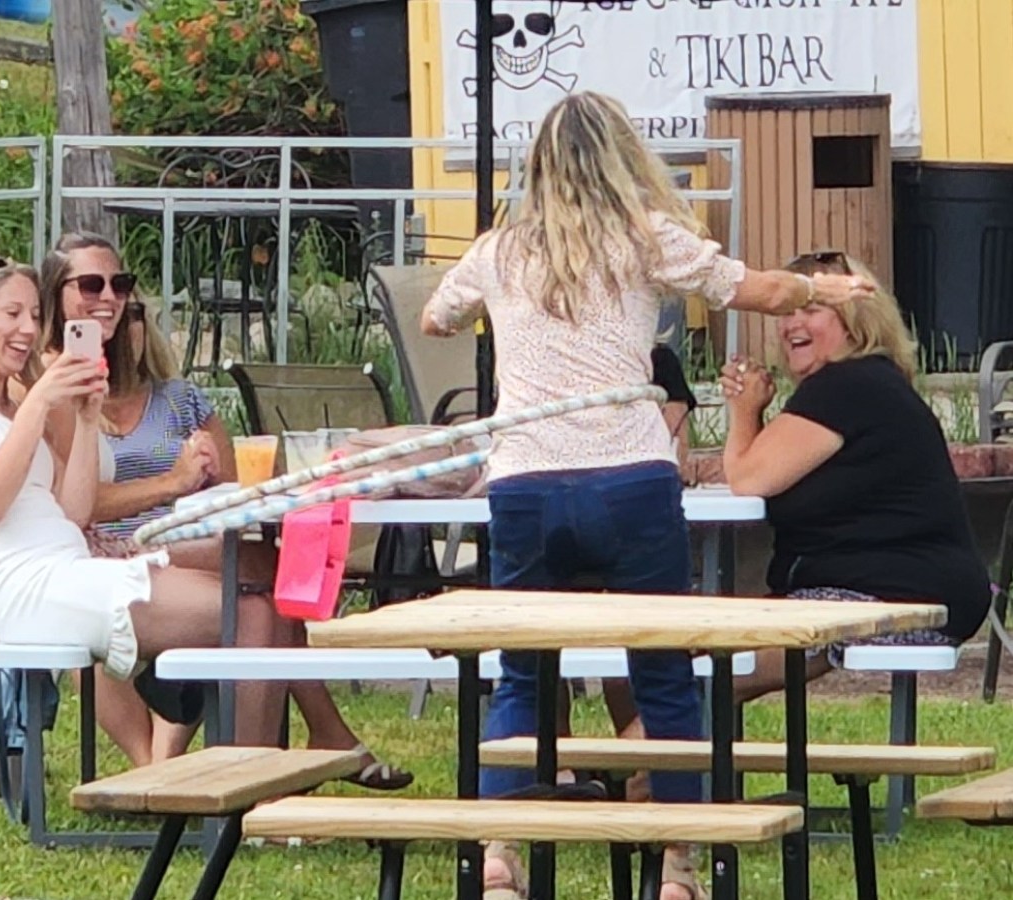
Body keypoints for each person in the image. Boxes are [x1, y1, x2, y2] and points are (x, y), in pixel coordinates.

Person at [420, 92, 875, 900]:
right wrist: (828, 294)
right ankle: (677, 869)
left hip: (525, 481)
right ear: (625, 160)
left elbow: (434, 319)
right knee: (663, 676)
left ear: (539, 167)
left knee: (521, 676)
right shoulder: (646, 239)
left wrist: (489, 315)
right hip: (632, 481)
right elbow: (759, 290)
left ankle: (497, 855)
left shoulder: (500, 250)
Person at [34, 232, 412, 788]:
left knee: (264, 571)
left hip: (172, 542)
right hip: (111, 552)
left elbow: (231, 488)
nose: (109, 299)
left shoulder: (168, 394)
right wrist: (174, 482)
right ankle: (275, 759)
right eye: (90, 285)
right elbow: (76, 505)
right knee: (262, 587)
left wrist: (203, 479)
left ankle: (254, 766)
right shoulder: (52, 385)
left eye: (121, 287)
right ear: (55, 298)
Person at [0, 256, 288, 749]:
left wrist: (86, 422)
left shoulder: (15, 403)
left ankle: (246, 780)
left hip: (70, 566)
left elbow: (72, 510)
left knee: (262, 596)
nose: (27, 329)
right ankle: (242, 787)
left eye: (34, 316)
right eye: (12, 314)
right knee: (251, 613)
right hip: (28, 589)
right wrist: (42, 402)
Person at [719, 250, 989, 701]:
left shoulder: (846, 387)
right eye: (786, 311)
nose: (792, 324)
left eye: (812, 309)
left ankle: (624, 770)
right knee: (657, 656)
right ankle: (618, 768)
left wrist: (744, 411)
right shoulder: (862, 385)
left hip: (891, 597)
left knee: (692, 676)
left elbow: (748, 479)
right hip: (887, 589)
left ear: (856, 320)